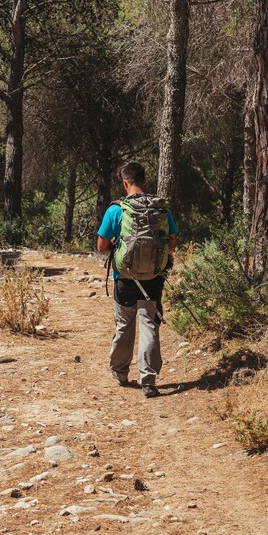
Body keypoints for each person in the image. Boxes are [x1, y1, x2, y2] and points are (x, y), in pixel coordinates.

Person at [96, 161, 178, 398]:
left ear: (125, 183)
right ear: (144, 180)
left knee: (124, 325)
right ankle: (148, 381)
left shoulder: (117, 210)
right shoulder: (161, 209)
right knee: (149, 325)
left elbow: (102, 246)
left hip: (125, 278)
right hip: (153, 278)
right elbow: (172, 244)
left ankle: (120, 372)